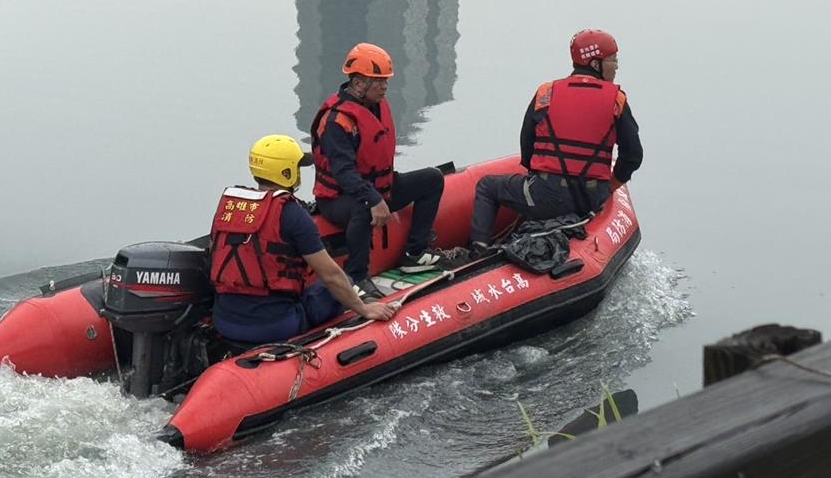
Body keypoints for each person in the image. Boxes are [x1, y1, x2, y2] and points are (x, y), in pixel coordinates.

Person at [210, 134, 397, 345]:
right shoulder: (292, 214)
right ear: (287, 172)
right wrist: (363, 308)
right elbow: (331, 275)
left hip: (225, 321)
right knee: (341, 283)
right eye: (297, 168)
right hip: (276, 325)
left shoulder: (230, 207)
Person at [469, 29, 644, 254]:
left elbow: (527, 143)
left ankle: (479, 249)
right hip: (591, 198)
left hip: (545, 196)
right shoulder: (617, 100)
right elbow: (633, 156)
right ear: (595, 63)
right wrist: (610, 187)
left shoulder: (546, 93)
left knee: (487, 186)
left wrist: (541, 175)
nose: (616, 66)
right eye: (613, 60)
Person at [311, 42, 447, 300]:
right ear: (359, 83)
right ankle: (357, 277)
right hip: (338, 199)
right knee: (363, 206)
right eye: (379, 82)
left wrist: (378, 194)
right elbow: (344, 173)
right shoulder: (337, 121)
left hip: (380, 186)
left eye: (385, 81)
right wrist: (373, 198)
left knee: (432, 179)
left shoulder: (376, 106)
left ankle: (414, 253)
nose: (385, 87)